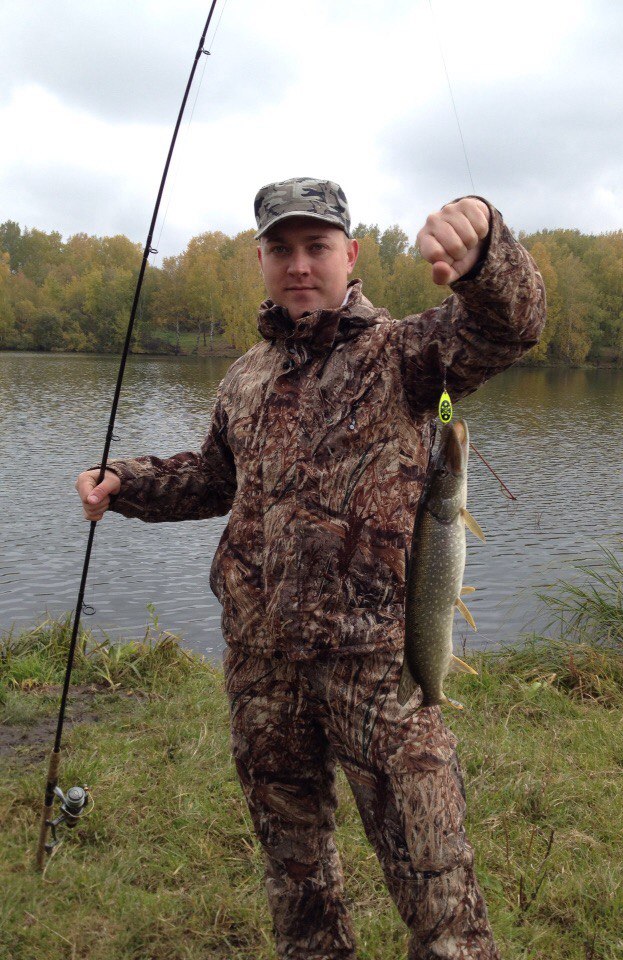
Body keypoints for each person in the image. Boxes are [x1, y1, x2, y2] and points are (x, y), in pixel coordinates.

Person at [76, 177, 545, 960]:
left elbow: (510, 325)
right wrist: (124, 482)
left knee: (436, 883)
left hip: (377, 664)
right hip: (262, 665)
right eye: (281, 249)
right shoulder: (244, 377)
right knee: (297, 881)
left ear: (350, 255)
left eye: (316, 246)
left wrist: (486, 249)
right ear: (261, 260)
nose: (299, 264)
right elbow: (213, 478)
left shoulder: (404, 354)